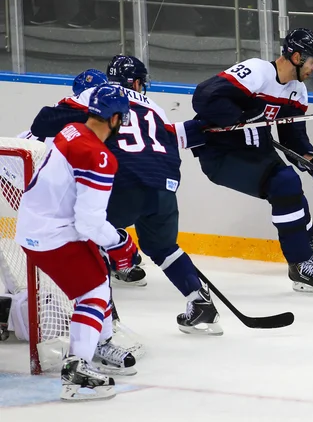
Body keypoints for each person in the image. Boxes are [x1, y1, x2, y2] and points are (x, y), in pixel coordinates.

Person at [29, 56, 223, 336]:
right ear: (135, 82)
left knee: (87, 239)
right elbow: (175, 137)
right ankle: (200, 302)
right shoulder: (154, 107)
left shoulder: (97, 95)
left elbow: (43, 124)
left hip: (123, 180)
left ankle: (106, 319)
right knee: (163, 247)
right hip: (164, 186)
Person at [190, 28, 313, 293]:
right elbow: (203, 97)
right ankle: (299, 264)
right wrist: (243, 116)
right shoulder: (256, 72)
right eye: (312, 61)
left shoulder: (297, 91)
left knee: (291, 186)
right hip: (221, 152)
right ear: (296, 57)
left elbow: (292, 141)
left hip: (257, 150)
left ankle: (308, 252)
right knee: (284, 183)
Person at [15, 85, 138, 401]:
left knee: (95, 280)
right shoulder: (98, 156)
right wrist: (119, 241)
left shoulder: (70, 131)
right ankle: (77, 374)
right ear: (113, 118)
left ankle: (93, 350)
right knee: (94, 291)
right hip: (54, 234)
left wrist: (109, 241)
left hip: (33, 227)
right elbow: (89, 223)